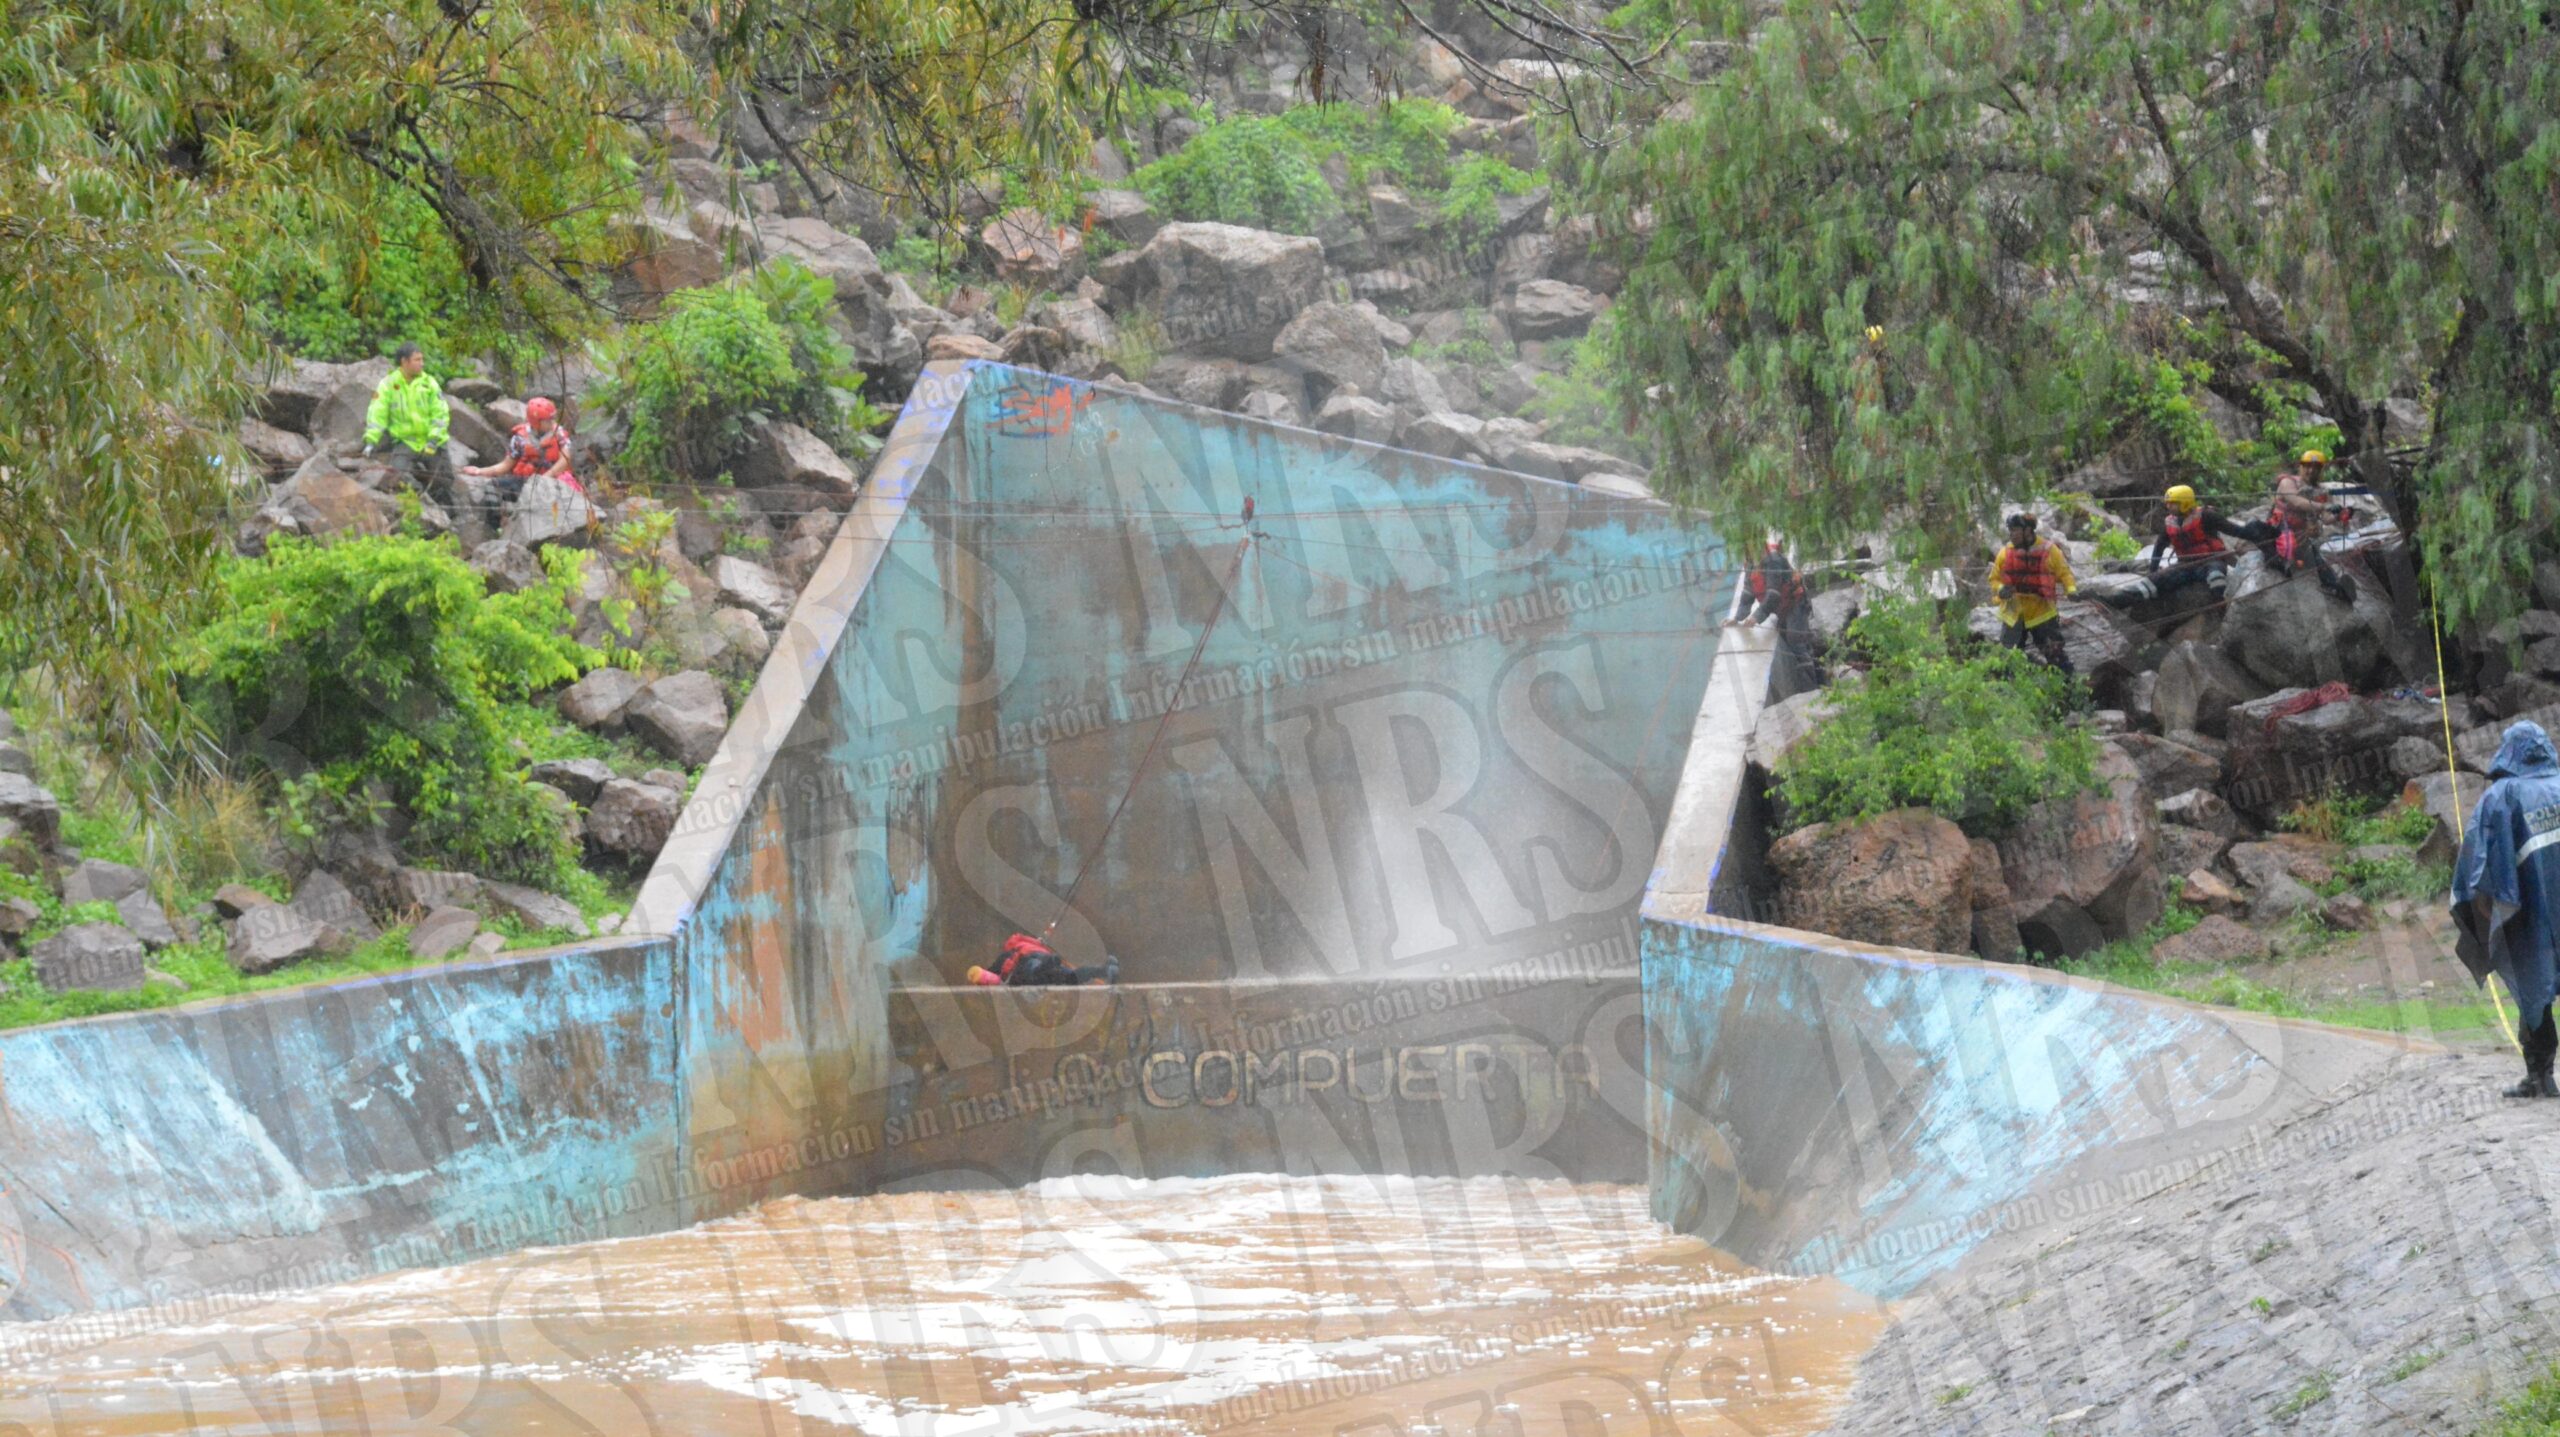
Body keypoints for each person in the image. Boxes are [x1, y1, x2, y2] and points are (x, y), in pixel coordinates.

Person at [2452, 720, 2560, 1099]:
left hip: (2529, 913)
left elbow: (2479, 863)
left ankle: (2541, 1076)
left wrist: (2484, 910)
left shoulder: (2501, 796)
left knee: (2533, 985)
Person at [2125, 484, 2268, 603]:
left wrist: (2256, 534)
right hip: (2184, 566)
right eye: (2168, 503)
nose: (2168, 506)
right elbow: (2159, 547)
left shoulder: (2207, 516)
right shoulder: (2170, 523)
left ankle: (2220, 609)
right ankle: (2119, 600)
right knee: (2152, 582)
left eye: (2173, 503)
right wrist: (2153, 570)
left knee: (2215, 577)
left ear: (2185, 503)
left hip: (2211, 561)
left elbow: (2233, 530)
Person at [363, 343, 456, 510]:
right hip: (406, 441)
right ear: (404, 361)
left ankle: (447, 512)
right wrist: (371, 441)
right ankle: (420, 500)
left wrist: (433, 440)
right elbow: (377, 413)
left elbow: (441, 414)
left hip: (432, 442)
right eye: (417, 360)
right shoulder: (388, 384)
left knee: (444, 479)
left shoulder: (429, 383)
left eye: (422, 359)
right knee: (396, 473)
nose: (422, 363)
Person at [1989, 512, 2076, 673]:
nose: (2011, 534)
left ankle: (2067, 684)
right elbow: (1994, 579)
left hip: (2042, 612)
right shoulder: (2004, 553)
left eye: (2015, 530)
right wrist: (2001, 589)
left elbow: (2065, 574)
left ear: (2028, 530)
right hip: (2014, 614)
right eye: (2010, 530)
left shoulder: (2050, 550)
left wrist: (2071, 590)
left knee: (2056, 655)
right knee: (2007, 658)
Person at [461, 396, 578, 516]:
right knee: (492, 487)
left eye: (553, 418)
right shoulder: (519, 438)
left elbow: (565, 459)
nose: (552, 422)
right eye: (548, 420)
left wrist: (544, 478)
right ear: (536, 422)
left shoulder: (559, 434)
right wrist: (479, 471)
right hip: (526, 482)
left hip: (554, 480)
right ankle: (496, 523)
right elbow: (505, 465)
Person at [2269, 450, 2357, 602]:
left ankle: (2336, 588)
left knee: (2317, 557)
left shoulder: (2321, 492)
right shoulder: (2288, 483)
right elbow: (2297, 502)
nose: (2311, 471)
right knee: (2290, 543)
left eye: (2316, 468)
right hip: (2278, 533)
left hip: (2301, 537)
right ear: (2301, 466)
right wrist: (2323, 506)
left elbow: (2326, 519)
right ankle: (2284, 564)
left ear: (2321, 470)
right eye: (2308, 466)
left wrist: (2339, 515)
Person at [967, 932, 1119, 987]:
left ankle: (1047, 966)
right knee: (1071, 977)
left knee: (1032, 975)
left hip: (1028, 963)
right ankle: (1105, 970)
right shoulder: (1034, 944)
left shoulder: (1010, 953)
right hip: (1044, 958)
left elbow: (989, 974)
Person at [1729, 533, 1805, 628]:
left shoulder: (1773, 560)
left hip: (1795, 604)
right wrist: (1736, 618)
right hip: (1780, 608)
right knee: (1782, 630)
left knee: (1794, 635)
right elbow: (1748, 592)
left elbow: (1773, 594)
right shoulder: (1750, 563)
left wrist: (1756, 617)